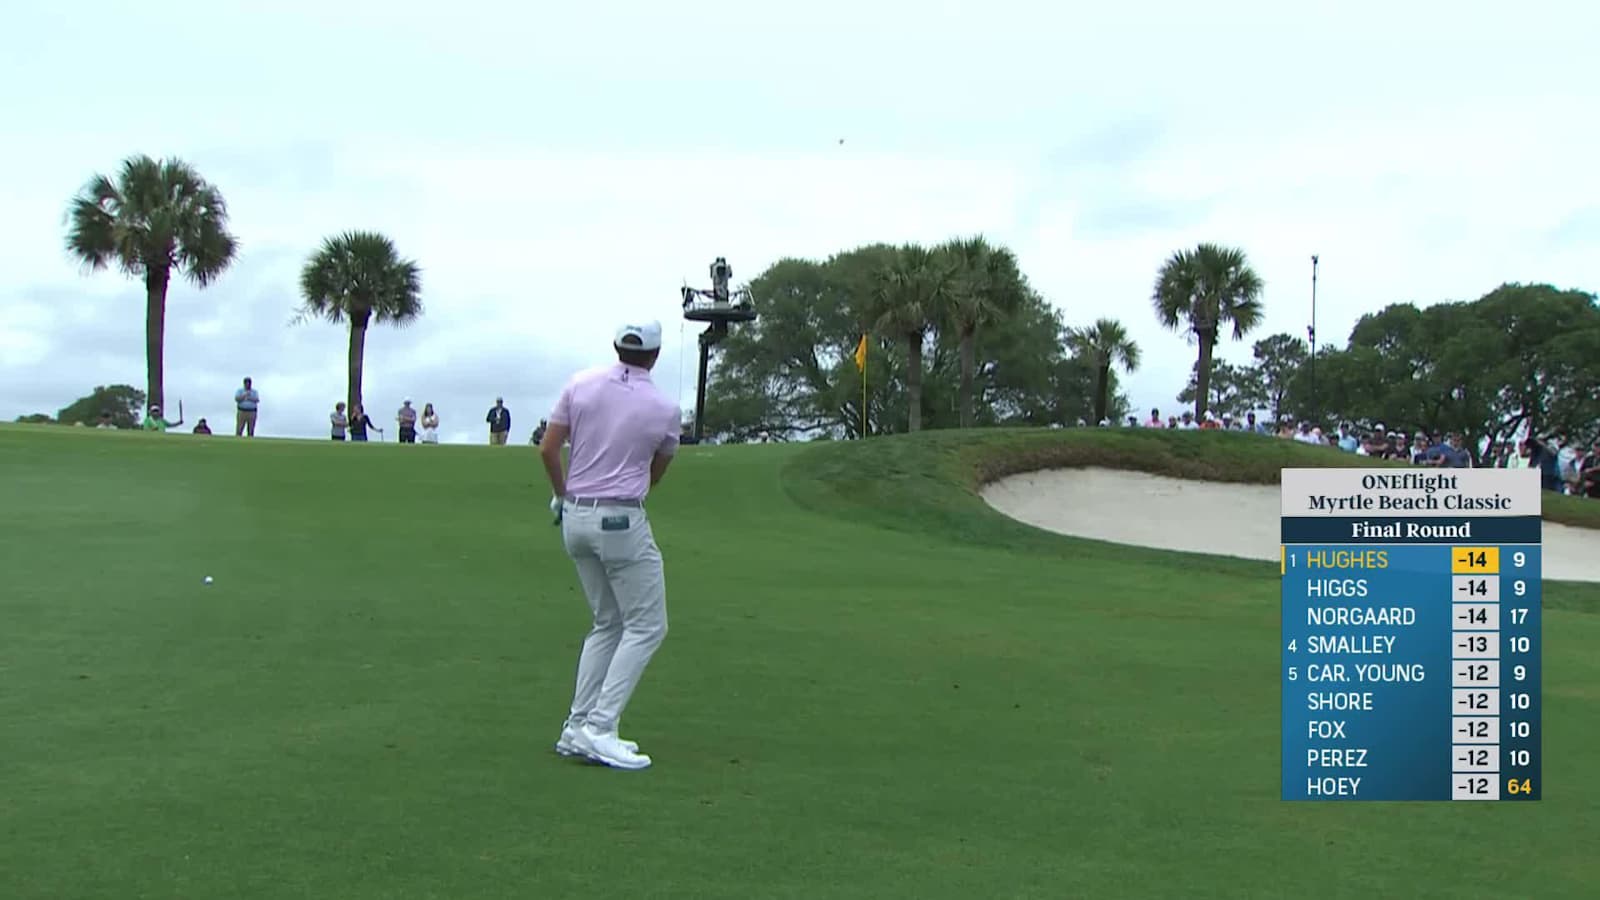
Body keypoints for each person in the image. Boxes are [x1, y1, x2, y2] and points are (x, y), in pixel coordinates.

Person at [542, 319, 681, 771]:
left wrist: (564, 495)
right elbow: (655, 472)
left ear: (617, 347)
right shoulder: (663, 407)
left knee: (608, 622)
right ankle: (601, 728)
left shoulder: (579, 384)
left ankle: (576, 725)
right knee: (646, 626)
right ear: (655, 356)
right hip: (621, 518)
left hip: (575, 516)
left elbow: (548, 449)